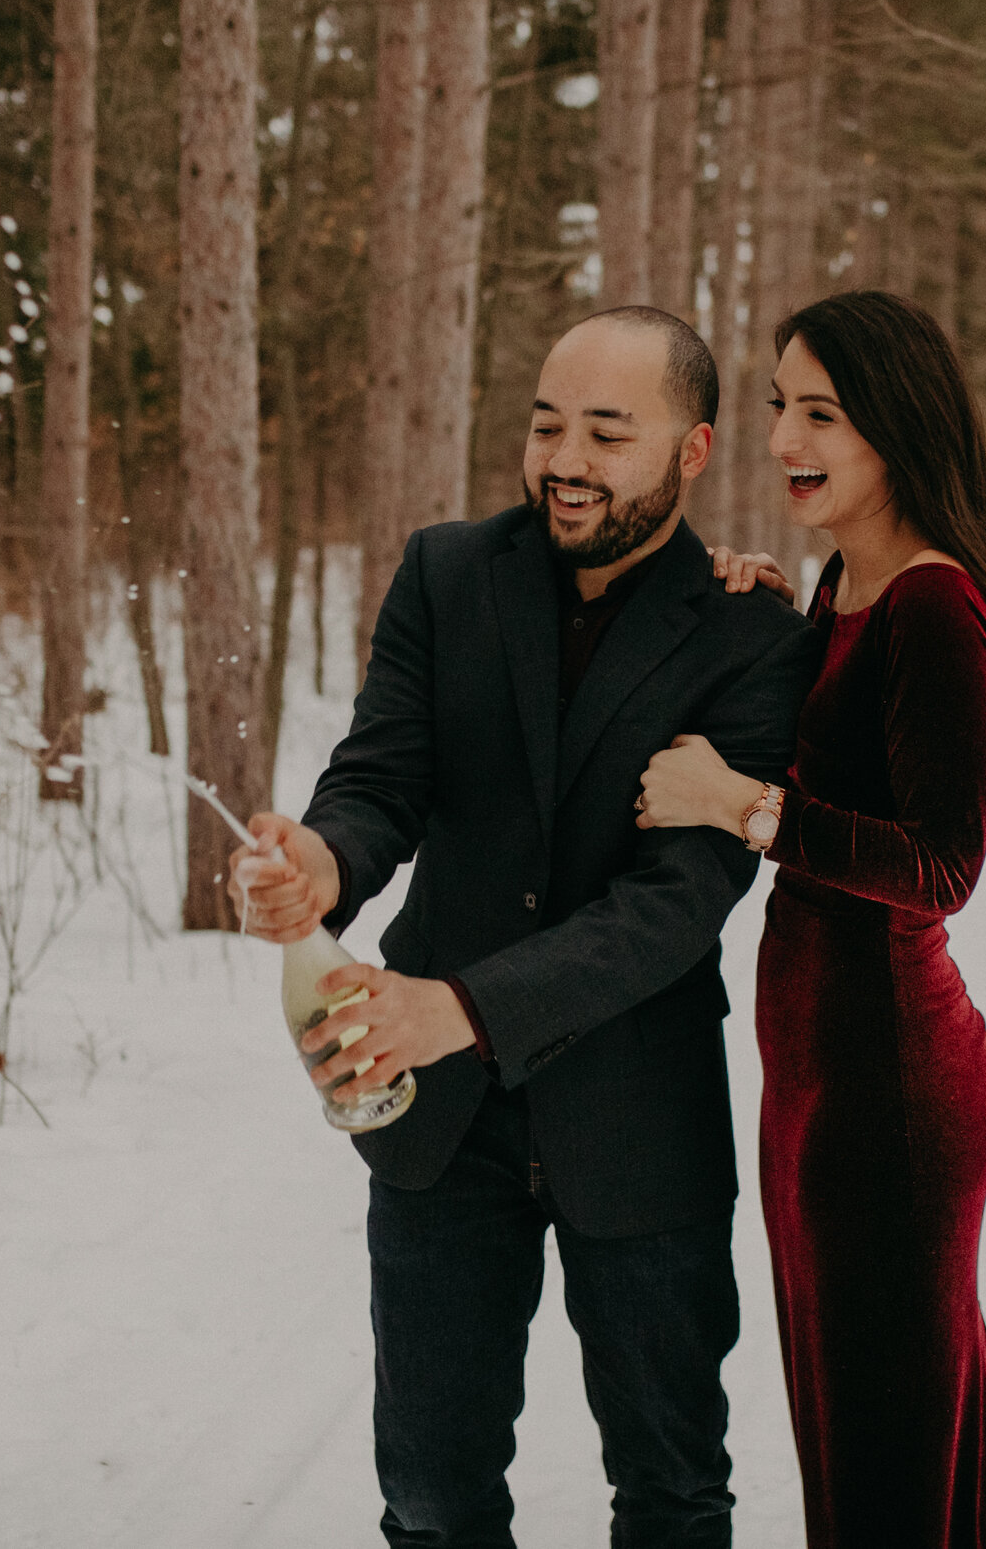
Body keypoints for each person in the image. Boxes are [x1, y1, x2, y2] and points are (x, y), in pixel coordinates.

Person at [229, 305, 819, 1549]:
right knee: (432, 1502)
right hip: (439, 1126)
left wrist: (459, 1008)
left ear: (694, 449)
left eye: (609, 432)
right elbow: (381, 778)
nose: (565, 458)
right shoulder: (446, 574)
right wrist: (319, 867)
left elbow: (678, 899)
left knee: (672, 1493)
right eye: (548, 423)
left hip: (638, 1116)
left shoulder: (754, 634)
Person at [634, 290, 986, 1549]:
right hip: (824, 1088)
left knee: (890, 1475)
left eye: (820, 411)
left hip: (889, 1097)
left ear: (898, 428)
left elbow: (942, 861)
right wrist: (770, 617)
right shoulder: (851, 583)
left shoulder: (936, 604)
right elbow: (845, 740)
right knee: (938, 1433)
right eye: (778, 404)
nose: (783, 435)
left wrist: (740, 806)